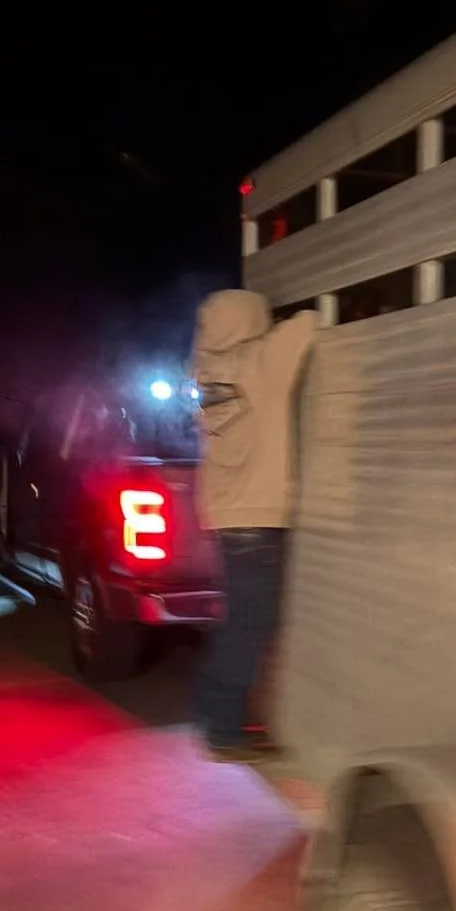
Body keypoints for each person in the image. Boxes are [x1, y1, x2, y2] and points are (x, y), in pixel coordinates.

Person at [191, 288, 317, 761]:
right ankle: (224, 730)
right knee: (249, 626)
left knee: (241, 622)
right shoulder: (260, 364)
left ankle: (214, 716)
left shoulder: (207, 371)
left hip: (229, 515)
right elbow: (309, 325)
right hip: (256, 519)